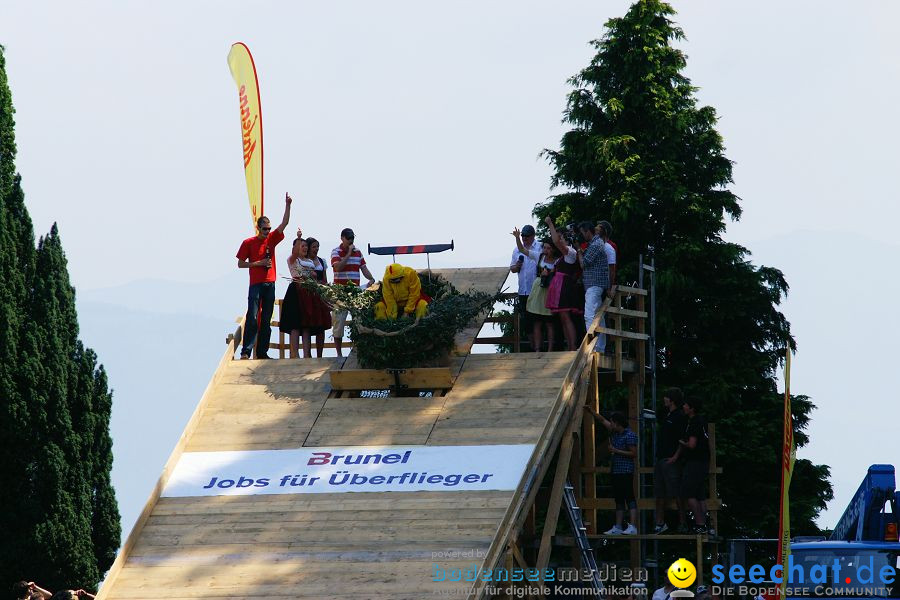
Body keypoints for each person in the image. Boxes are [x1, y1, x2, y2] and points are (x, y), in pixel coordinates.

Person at [236, 193, 292, 359]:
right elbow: (240, 263)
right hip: (256, 284)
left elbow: (285, 224)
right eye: (265, 229)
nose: (268, 231)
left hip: (270, 283)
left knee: (266, 319)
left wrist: (288, 205)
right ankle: (246, 351)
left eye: (269, 228)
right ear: (258, 228)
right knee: (252, 317)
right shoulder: (248, 243)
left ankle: (262, 352)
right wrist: (257, 263)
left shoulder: (271, 240)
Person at [587, 408, 638, 535]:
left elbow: (633, 453)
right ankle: (618, 526)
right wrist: (591, 411)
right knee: (619, 499)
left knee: (629, 497)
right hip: (615, 470)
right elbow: (602, 420)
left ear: (618, 423)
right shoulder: (614, 432)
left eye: (613, 422)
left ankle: (633, 526)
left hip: (625, 470)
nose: (611, 424)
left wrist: (616, 450)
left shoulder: (629, 435)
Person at [281, 236, 332, 358]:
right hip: (296, 290)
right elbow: (295, 255)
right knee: (295, 324)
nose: (304, 248)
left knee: (307, 325)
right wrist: (298, 238)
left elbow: (315, 275)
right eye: (301, 246)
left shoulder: (309, 261)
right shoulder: (293, 259)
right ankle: (294, 354)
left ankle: (307, 354)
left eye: (305, 246)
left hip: (309, 292)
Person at [513, 229, 560, 352]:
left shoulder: (557, 261)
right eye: (544, 248)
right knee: (536, 322)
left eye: (548, 248)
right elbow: (523, 250)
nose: (545, 250)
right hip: (538, 291)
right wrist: (517, 238)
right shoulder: (539, 256)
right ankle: (537, 349)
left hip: (550, 291)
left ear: (554, 249)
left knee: (549, 323)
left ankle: (550, 349)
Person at [330, 228, 375, 357]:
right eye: (348, 238)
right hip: (340, 292)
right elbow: (337, 267)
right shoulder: (336, 252)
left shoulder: (358, 253)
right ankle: (339, 354)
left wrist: (371, 278)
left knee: (359, 321)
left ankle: (358, 350)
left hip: (355, 291)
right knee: (338, 323)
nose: (350, 241)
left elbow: (363, 268)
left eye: (352, 238)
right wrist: (348, 253)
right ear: (342, 238)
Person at [544, 216, 584, 350]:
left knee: (566, 317)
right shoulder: (566, 254)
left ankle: (572, 346)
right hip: (560, 286)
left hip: (564, 287)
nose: (559, 241)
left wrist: (550, 223)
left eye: (562, 239)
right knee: (563, 318)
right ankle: (570, 345)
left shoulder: (570, 252)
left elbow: (555, 240)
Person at [653, 388, 687, 534]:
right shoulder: (668, 415)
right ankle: (660, 523)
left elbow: (682, 439)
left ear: (672, 400)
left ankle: (683, 523)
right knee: (660, 492)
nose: (664, 399)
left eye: (666, 397)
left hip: (671, 459)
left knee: (676, 491)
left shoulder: (679, 416)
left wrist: (676, 456)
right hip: (661, 458)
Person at [677, 396, 710, 534]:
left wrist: (682, 442)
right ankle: (706, 525)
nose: (683, 406)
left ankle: (700, 524)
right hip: (703, 462)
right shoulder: (701, 421)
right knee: (700, 495)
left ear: (692, 408)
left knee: (688, 493)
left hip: (695, 462)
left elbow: (692, 444)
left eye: (685, 405)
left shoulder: (695, 422)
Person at [579, 221, 610, 352]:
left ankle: (593, 347)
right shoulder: (596, 243)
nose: (582, 236)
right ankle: (599, 348)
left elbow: (584, 263)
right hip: (594, 285)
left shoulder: (596, 244)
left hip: (594, 285)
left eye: (582, 233)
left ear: (588, 231)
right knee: (598, 317)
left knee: (590, 315)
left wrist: (579, 252)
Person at [509, 224, 539, 350]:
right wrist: (517, 265)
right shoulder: (516, 250)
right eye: (523, 236)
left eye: (527, 236)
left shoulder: (539, 247)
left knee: (538, 320)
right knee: (527, 322)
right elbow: (512, 269)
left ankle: (539, 347)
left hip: (537, 290)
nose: (524, 238)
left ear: (533, 236)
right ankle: (533, 348)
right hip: (523, 291)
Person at [306, 236, 329, 356]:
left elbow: (325, 278)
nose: (316, 249)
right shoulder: (304, 261)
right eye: (314, 247)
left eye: (317, 246)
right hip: (309, 296)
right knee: (309, 325)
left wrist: (325, 289)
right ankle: (308, 354)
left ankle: (319, 354)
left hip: (320, 296)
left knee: (321, 326)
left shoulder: (322, 261)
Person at [597, 220, 617, 287]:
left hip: (604, 281)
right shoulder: (597, 244)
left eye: (598, 229)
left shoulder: (611, 245)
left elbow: (612, 267)